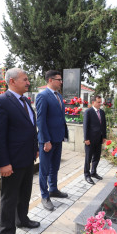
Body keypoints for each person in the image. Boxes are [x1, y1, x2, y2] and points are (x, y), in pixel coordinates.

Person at [0, 68, 39, 234]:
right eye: (24, 80)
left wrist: (36, 148)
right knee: (9, 197)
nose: (28, 82)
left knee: (25, 192)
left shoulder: (25, 101)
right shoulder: (0, 102)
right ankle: (7, 231)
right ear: (12, 81)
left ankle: (22, 219)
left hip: (27, 157)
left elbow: (30, 127)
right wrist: (3, 163)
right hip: (11, 160)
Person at [36, 70, 69, 211]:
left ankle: (53, 189)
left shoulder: (59, 96)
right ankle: (44, 195)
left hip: (58, 138)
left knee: (55, 166)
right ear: (50, 80)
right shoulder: (43, 96)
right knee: (44, 169)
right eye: (59, 79)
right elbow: (41, 120)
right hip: (48, 140)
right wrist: (45, 140)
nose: (61, 82)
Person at [83, 95, 107, 184]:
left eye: (101, 102)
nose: (100, 103)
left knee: (97, 157)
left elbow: (103, 125)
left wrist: (104, 136)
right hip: (90, 139)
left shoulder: (102, 112)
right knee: (88, 158)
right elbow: (85, 126)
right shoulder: (88, 112)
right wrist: (86, 138)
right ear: (93, 102)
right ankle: (87, 175)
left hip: (99, 139)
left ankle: (93, 172)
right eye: (98, 102)